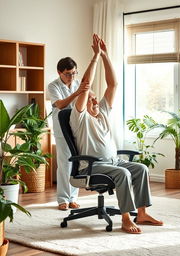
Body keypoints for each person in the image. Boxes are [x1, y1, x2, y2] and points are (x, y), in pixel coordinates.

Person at [70, 34, 163, 234]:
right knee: (124, 173)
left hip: (113, 161)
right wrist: (94, 57)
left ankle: (142, 213)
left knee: (141, 168)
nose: (95, 102)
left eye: (96, 99)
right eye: (91, 99)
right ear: (83, 102)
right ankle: (126, 218)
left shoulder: (102, 112)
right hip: (93, 166)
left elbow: (113, 85)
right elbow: (85, 84)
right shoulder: (79, 118)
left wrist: (104, 54)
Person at [48, 56, 87, 210]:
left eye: (74, 73)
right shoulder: (53, 86)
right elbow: (61, 105)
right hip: (62, 129)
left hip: (77, 128)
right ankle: (63, 199)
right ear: (59, 73)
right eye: (68, 74)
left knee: (76, 163)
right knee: (65, 164)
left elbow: (88, 97)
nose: (72, 77)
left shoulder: (77, 83)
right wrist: (77, 93)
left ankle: (73, 198)